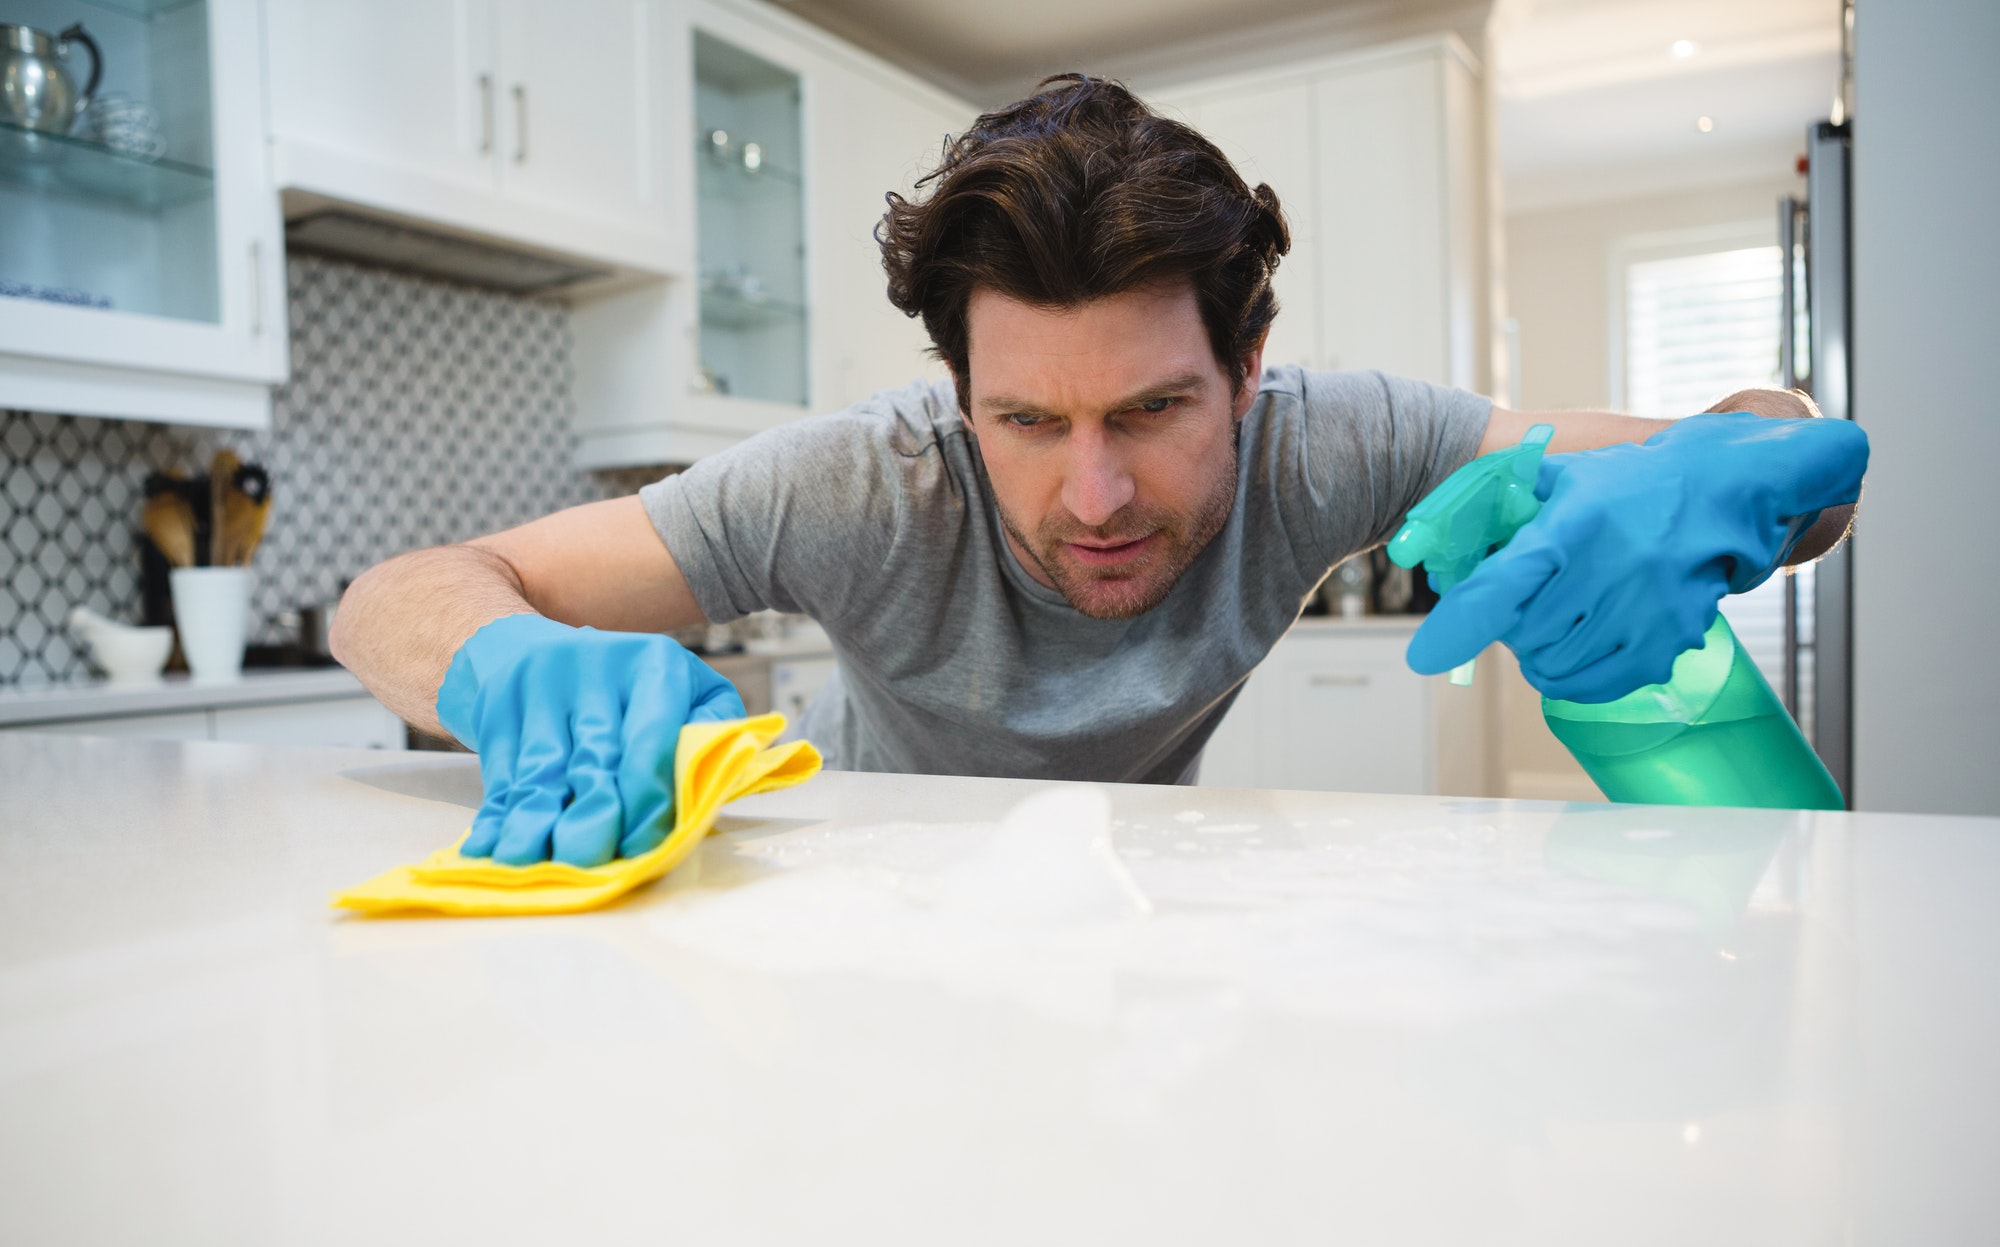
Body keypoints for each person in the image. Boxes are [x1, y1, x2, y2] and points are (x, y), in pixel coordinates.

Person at [333, 75, 1867, 868]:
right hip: (849, 893)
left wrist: (1743, 472)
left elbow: (1788, 457)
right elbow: (393, 596)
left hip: (1133, 909)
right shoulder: (859, 482)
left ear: (1246, 373)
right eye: (1025, 422)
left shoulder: (1325, 437)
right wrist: (499, 658)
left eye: (1149, 412)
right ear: (958, 392)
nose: (1094, 497)